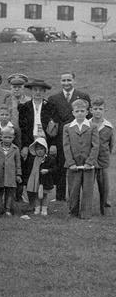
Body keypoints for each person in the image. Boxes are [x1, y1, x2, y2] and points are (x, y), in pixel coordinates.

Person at [48, 72, 91, 201]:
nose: (66, 83)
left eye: (69, 80)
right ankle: (60, 196)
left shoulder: (83, 96)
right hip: (61, 137)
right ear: (60, 82)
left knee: (79, 166)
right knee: (62, 166)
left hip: (79, 137)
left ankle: (78, 195)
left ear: (74, 81)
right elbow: (52, 123)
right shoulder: (54, 98)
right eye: (64, 80)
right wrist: (53, 143)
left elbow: (88, 119)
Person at [64, 99, 99, 219]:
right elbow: (66, 146)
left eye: (82, 111)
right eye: (77, 111)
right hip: (74, 165)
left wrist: (90, 162)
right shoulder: (67, 127)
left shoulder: (93, 127)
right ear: (73, 112)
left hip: (88, 165)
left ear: (87, 112)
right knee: (73, 189)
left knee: (87, 190)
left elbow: (96, 146)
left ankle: (86, 213)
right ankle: (73, 212)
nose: (79, 113)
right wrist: (70, 163)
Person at [90, 97, 114, 215]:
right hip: (89, 161)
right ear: (91, 110)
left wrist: (105, 155)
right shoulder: (87, 124)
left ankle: (106, 210)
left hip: (103, 161)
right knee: (88, 187)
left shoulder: (108, 127)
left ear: (105, 110)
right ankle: (86, 209)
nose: (98, 111)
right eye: (95, 109)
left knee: (105, 187)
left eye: (100, 109)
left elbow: (111, 145)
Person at [22, 137, 57, 217]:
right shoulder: (32, 159)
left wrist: (47, 170)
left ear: (45, 149)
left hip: (45, 180)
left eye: (41, 149)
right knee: (36, 195)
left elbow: (55, 169)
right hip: (35, 180)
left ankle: (44, 209)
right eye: (37, 149)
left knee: (44, 195)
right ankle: (37, 208)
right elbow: (29, 170)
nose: (39, 151)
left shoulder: (49, 159)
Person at [0, 127, 21, 217]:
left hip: (11, 174)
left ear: (13, 138)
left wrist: (18, 174)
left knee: (10, 192)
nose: (7, 139)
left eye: (10, 137)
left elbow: (18, 163)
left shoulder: (15, 149)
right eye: (5, 137)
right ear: (1, 137)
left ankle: (8, 209)